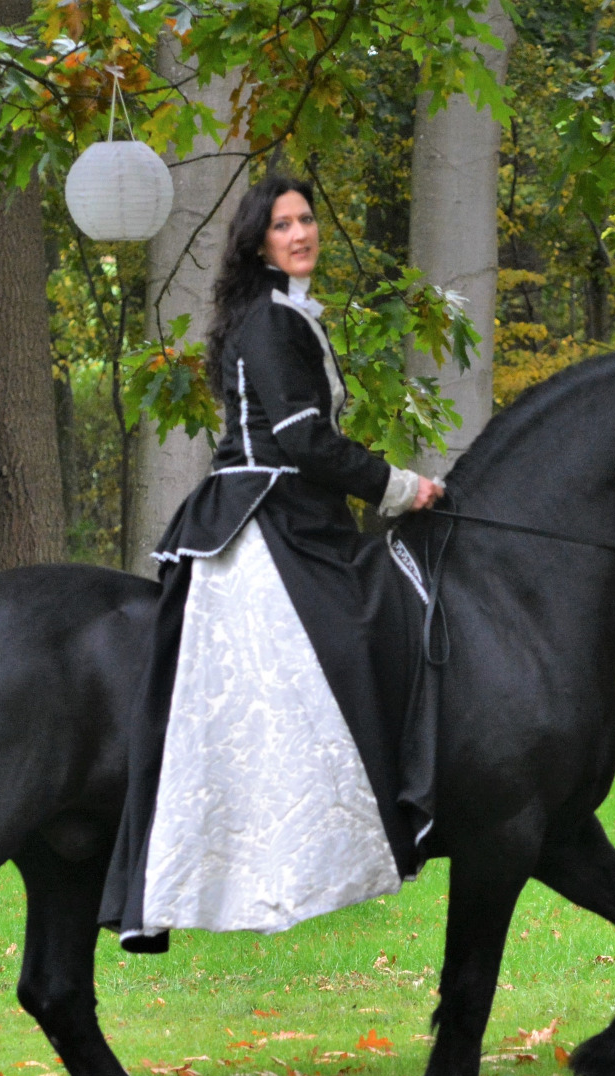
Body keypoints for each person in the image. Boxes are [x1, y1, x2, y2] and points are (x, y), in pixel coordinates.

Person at [100, 174, 444, 953]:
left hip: (299, 512)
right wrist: (401, 486)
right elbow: (303, 441)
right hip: (267, 520)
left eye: (307, 218)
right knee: (349, 643)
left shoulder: (286, 315)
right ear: (259, 242)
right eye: (283, 224)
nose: (300, 232)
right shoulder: (270, 322)